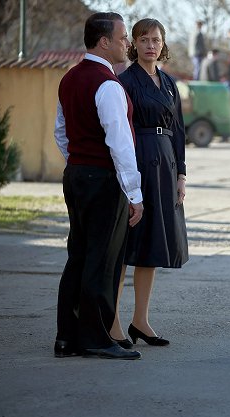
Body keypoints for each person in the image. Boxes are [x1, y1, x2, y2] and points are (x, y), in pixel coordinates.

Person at [53, 12, 144, 360]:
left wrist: (78, 160)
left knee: (78, 254)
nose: (127, 43)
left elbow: (60, 132)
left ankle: (67, 336)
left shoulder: (70, 78)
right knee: (102, 259)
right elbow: (120, 143)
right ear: (104, 42)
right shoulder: (107, 84)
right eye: (123, 37)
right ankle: (95, 337)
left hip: (76, 175)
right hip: (103, 179)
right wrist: (134, 193)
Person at [109, 18, 189, 348]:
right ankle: (112, 321)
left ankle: (140, 321)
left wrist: (182, 174)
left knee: (152, 245)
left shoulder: (169, 83)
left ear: (163, 44)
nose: (150, 45)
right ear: (134, 44)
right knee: (126, 245)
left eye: (156, 39)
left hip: (166, 166)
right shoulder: (123, 81)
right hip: (138, 161)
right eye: (144, 39)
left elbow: (180, 131)